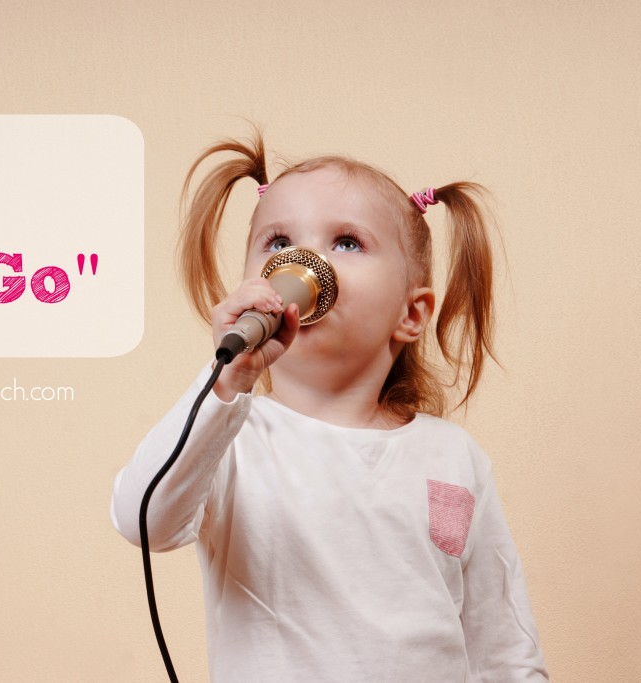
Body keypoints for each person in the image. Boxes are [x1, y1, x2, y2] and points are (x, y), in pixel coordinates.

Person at [111, 132, 549, 682]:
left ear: (411, 315)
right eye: (277, 242)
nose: (302, 261)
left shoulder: (453, 456)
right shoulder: (234, 438)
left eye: (346, 242)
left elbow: (501, 640)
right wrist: (226, 382)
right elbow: (144, 519)